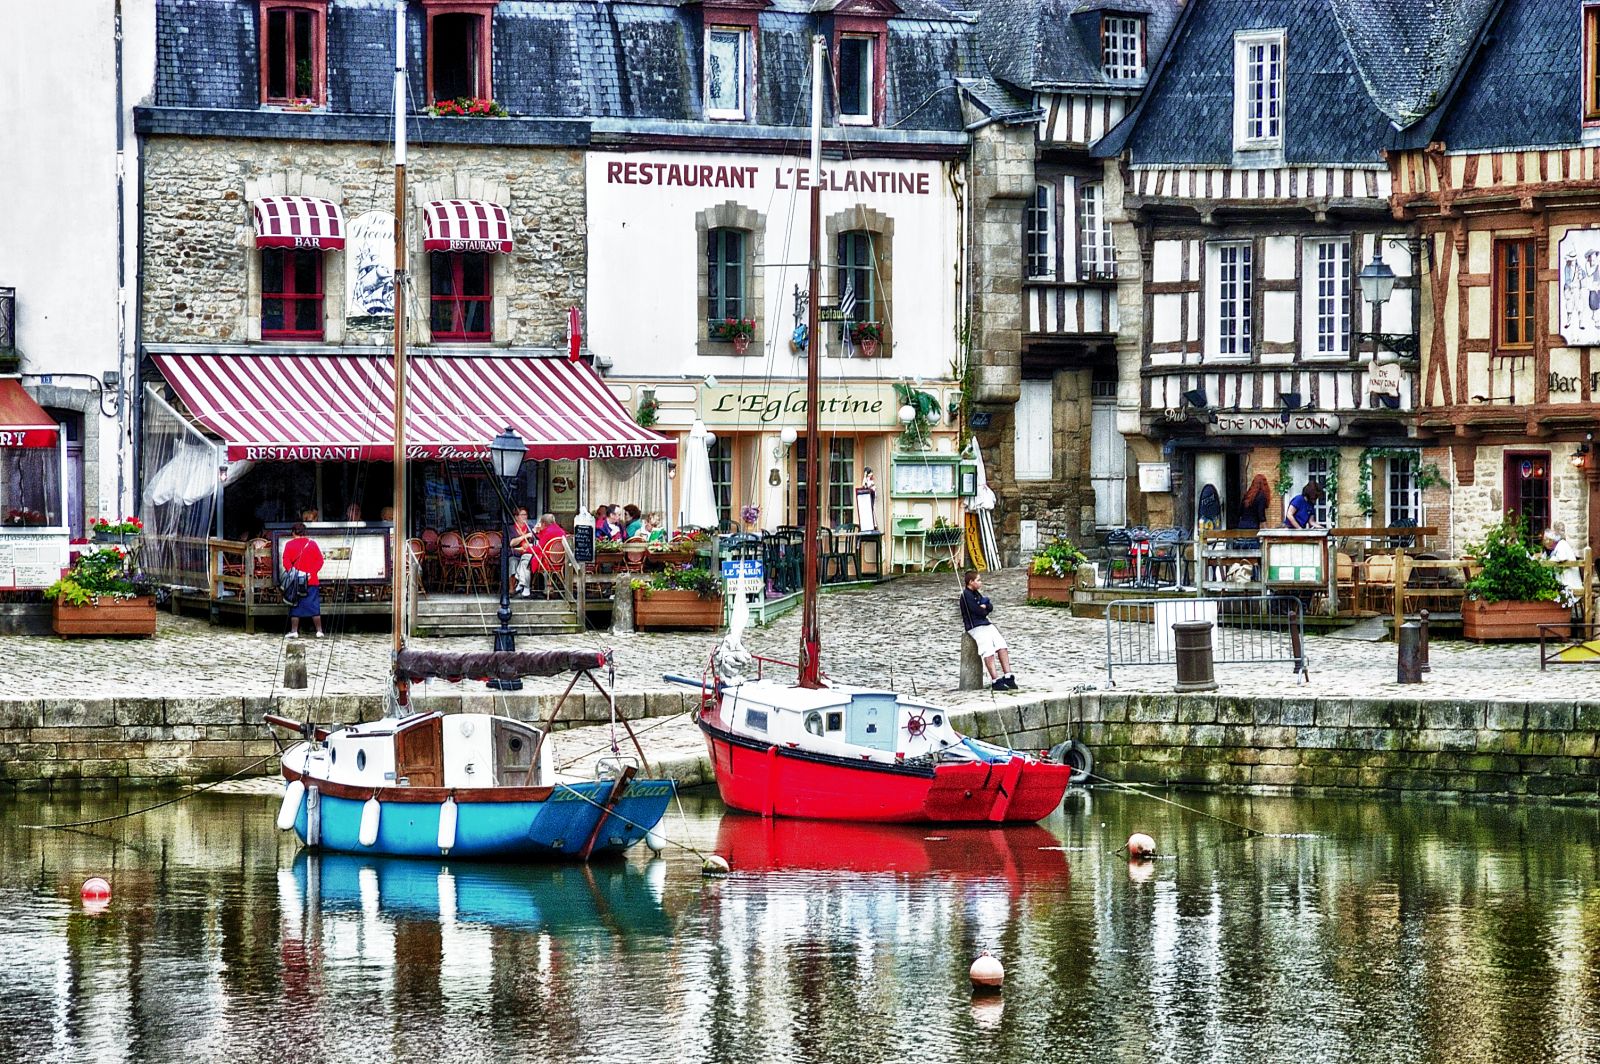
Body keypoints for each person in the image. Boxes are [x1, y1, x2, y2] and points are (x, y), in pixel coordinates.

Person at [960, 570, 1016, 691]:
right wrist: (983, 607)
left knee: (1001, 645)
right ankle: (995, 680)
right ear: (971, 582)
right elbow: (978, 611)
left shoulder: (976, 594)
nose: (980, 583)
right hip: (975, 627)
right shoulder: (966, 595)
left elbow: (989, 606)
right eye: (978, 580)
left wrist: (984, 606)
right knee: (988, 650)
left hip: (986, 623)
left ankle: (1008, 675)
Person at [282, 522, 325, 639]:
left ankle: (294, 631)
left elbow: (286, 561)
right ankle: (319, 631)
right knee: (314, 605)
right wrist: (312, 573)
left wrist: (294, 572)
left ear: (293, 532)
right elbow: (320, 560)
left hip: (296, 580)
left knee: (295, 604)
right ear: (305, 532)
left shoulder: (289, 545)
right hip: (311, 580)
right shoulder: (312, 544)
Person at [509, 507, 537, 597]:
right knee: (513, 562)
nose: (525, 517)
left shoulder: (531, 528)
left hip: (527, 554)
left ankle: (522, 585)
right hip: (515, 553)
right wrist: (524, 536)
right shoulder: (511, 528)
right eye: (522, 515)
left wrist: (530, 545)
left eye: (526, 515)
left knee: (526, 561)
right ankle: (512, 588)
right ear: (516, 517)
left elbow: (535, 542)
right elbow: (511, 543)